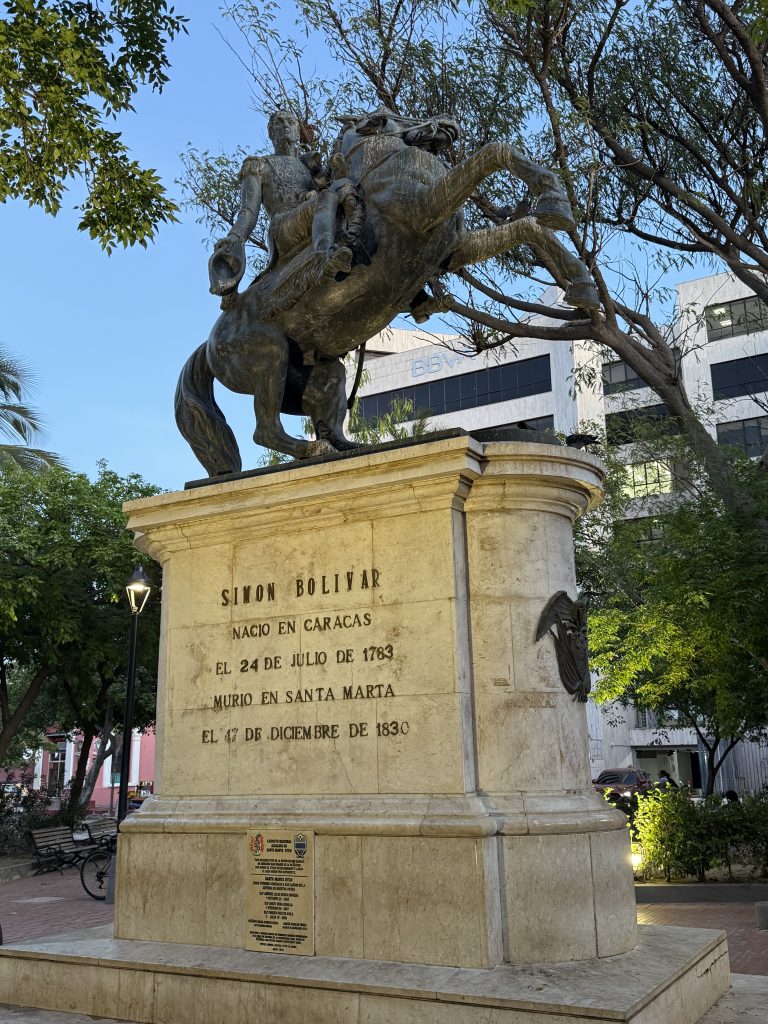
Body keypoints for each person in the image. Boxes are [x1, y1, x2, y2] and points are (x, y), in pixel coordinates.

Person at [209, 109, 353, 301]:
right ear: (271, 132)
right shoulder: (258, 164)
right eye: (280, 122)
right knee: (326, 197)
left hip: (313, 214)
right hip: (283, 226)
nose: (285, 125)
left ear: (297, 132)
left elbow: (329, 187)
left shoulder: (310, 165)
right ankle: (324, 258)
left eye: (290, 122)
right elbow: (248, 211)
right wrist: (235, 236)